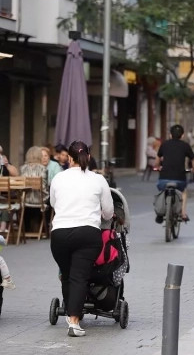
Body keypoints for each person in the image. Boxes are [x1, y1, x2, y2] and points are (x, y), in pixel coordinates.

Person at [50, 141, 114, 337]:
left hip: (59, 234)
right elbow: (109, 212)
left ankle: (71, 313)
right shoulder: (98, 179)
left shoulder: (58, 178)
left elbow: (54, 203)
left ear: (69, 158)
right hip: (87, 234)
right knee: (79, 277)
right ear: (89, 155)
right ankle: (74, 321)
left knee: (67, 275)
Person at [156, 125, 194, 222]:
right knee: (183, 192)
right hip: (179, 179)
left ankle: (160, 211)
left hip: (164, 178)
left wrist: (158, 167)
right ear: (182, 135)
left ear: (170, 135)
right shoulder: (185, 145)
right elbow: (193, 159)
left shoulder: (164, 144)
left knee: (162, 191)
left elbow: (157, 160)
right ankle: (183, 213)